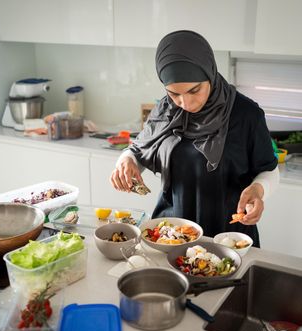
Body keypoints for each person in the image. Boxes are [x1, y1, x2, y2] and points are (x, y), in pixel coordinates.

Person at [110, 30, 279, 247]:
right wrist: (125, 162)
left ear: (209, 72)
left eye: (194, 90)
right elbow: (139, 151)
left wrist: (258, 190)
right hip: (169, 234)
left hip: (228, 237)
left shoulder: (246, 115)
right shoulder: (165, 110)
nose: (186, 103)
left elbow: (269, 169)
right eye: (174, 93)